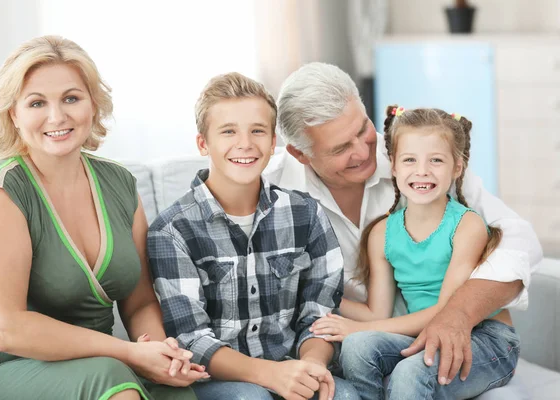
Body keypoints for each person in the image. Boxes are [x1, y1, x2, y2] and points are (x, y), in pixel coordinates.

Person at [264, 62, 541, 385]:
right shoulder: (272, 194)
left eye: (362, 129)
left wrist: (458, 312)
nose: (363, 151)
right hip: (370, 345)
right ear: (300, 154)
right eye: (341, 148)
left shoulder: (419, 157)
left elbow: (520, 241)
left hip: (440, 336)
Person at [0, 36, 206, 399]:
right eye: (37, 103)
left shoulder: (119, 183)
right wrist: (129, 354)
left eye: (71, 98)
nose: (57, 116)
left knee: (176, 393)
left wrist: (159, 355)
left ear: (93, 104)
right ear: (13, 113)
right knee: (109, 379)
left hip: (99, 361)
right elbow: (5, 329)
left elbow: (139, 302)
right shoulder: (0, 194)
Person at [147, 72, 358, 400]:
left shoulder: (306, 214)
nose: (245, 144)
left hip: (292, 363)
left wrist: (310, 367)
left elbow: (319, 313)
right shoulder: (173, 230)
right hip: (220, 381)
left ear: (273, 142)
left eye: (257, 131)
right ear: (204, 143)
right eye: (228, 131)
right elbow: (192, 338)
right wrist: (272, 376)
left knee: (343, 396)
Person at [309, 106, 520, 399]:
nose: (422, 171)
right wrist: (323, 297)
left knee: (410, 372)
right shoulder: (383, 233)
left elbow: (446, 313)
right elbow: (377, 312)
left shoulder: (466, 226)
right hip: (423, 335)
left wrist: (355, 328)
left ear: (457, 168)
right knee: (357, 349)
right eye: (410, 160)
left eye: (436, 160)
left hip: (485, 338)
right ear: (393, 166)